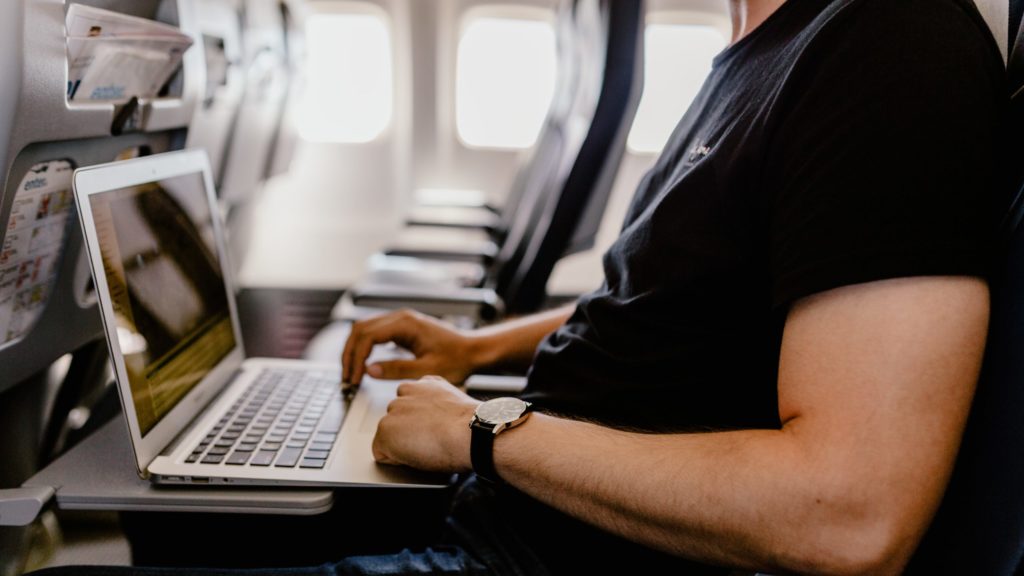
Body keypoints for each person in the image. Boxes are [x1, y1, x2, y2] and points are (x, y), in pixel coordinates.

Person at [33, 0, 1005, 574]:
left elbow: (850, 513)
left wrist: (482, 430)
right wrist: (484, 352)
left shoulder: (891, 47)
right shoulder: (763, 47)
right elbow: (679, 303)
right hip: (502, 518)